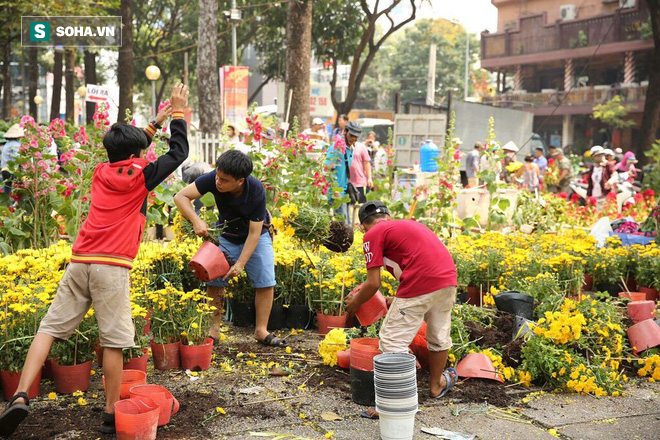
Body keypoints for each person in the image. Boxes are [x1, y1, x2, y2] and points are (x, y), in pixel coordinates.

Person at [0, 85, 186, 437]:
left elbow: (128, 150)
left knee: (49, 329)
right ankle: (111, 414)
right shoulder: (141, 175)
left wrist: (154, 124)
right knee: (114, 341)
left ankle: (20, 396)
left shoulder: (101, 171)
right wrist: (177, 114)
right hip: (111, 267)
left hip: (80, 260)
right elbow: (179, 153)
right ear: (137, 153)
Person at [345, 201, 458, 407]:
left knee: (391, 341)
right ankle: (436, 385)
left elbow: (373, 283)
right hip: (448, 280)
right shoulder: (406, 226)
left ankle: (396, 403)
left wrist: (355, 303)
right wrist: (397, 300)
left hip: (421, 282)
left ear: (362, 226)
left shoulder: (372, 234)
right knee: (439, 336)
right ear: (388, 216)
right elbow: (421, 264)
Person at [174, 150, 283, 347]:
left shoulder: (256, 190)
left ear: (240, 181)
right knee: (214, 280)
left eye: (224, 180)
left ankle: (261, 330)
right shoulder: (214, 178)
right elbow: (180, 197)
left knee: (265, 281)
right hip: (226, 234)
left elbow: (254, 233)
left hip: (256, 235)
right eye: (217, 176)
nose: (218, 182)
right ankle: (213, 330)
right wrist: (196, 220)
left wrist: (240, 263)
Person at [325, 121, 362, 224]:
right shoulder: (336, 147)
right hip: (335, 192)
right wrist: (335, 190)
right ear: (345, 131)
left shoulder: (351, 149)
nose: (353, 139)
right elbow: (327, 169)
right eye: (351, 135)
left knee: (347, 224)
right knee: (344, 225)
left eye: (356, 137)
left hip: (343, 192)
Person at [349, 131, 373, 225]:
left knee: (361, 206)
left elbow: (366, 163)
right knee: (350, 206)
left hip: (360, 182)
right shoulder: (344, 147)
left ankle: (361, 224)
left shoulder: (361, 147)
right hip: (348, 182)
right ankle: (351, 225)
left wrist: (369, 178)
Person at [1, 124, 24, 197]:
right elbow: (18, 156)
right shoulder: (15, 144)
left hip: (4, 170)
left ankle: (6, 207)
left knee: (7, 190)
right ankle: (15, 205)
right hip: (12, 170)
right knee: (18, 189)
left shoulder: (7, 144)